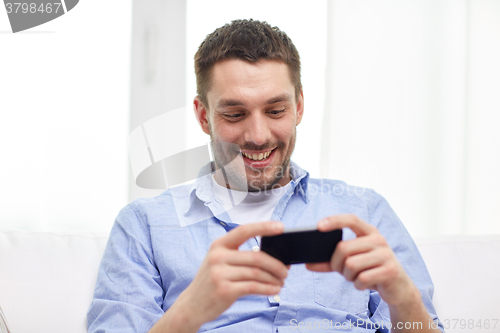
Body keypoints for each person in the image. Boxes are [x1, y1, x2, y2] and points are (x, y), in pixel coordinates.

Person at [87, 19, 444, 333]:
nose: (258, 135)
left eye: (275, 110)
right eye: (235, 114)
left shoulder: (366, 212)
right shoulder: (144, 225)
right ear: (203, 116)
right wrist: (189, 313)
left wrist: (403, 298)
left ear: (299, 106)